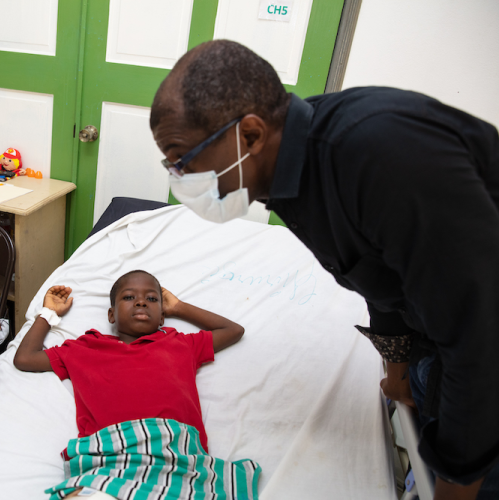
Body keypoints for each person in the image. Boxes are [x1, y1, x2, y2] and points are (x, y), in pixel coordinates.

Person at [148, 39, 499, 500]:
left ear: (249, 135)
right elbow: (378, 272)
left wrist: (457, 482)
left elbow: (481, 339)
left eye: (183, 159)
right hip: (442, 357)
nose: (178, 177)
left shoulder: (380, 154)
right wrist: (397, 362)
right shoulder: (288, 177)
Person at [14, 270, 257, 498]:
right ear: (111, 315)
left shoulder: (181, 344)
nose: (141, 302)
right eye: (129, 297)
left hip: (175, 454)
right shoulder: (84, 348)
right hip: (110, 459)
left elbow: (233, 330)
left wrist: (179, 307)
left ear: (162, 316)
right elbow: (25, 358)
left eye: (152, 299)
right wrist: (48, 313)